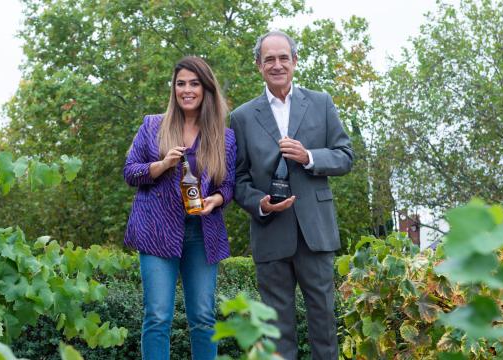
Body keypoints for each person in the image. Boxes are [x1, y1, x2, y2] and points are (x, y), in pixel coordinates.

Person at [230, 31, 354, 359]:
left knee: (324, 322)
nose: (277, 64)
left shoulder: (321, 102)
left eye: (283, 57)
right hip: (271, 232)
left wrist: (309, 157)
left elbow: (345, 156)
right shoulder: (242, 117)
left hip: (316, 230)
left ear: (295, 61)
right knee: (277, 329)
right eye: (269, 59)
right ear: (258, 65)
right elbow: (238, 179)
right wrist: (260, 203)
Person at [123, 56, 236, 360]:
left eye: (194, 83)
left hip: (202, 233)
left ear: (206, 88)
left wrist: (217, 200)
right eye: (181, 83)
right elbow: (129, 172)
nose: (187, 90)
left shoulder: (223, 137)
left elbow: (228, 185)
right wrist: (161, 165)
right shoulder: (152, 126)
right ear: (173, 89)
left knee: (203, 317)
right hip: (156, 232)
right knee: (158, 316)